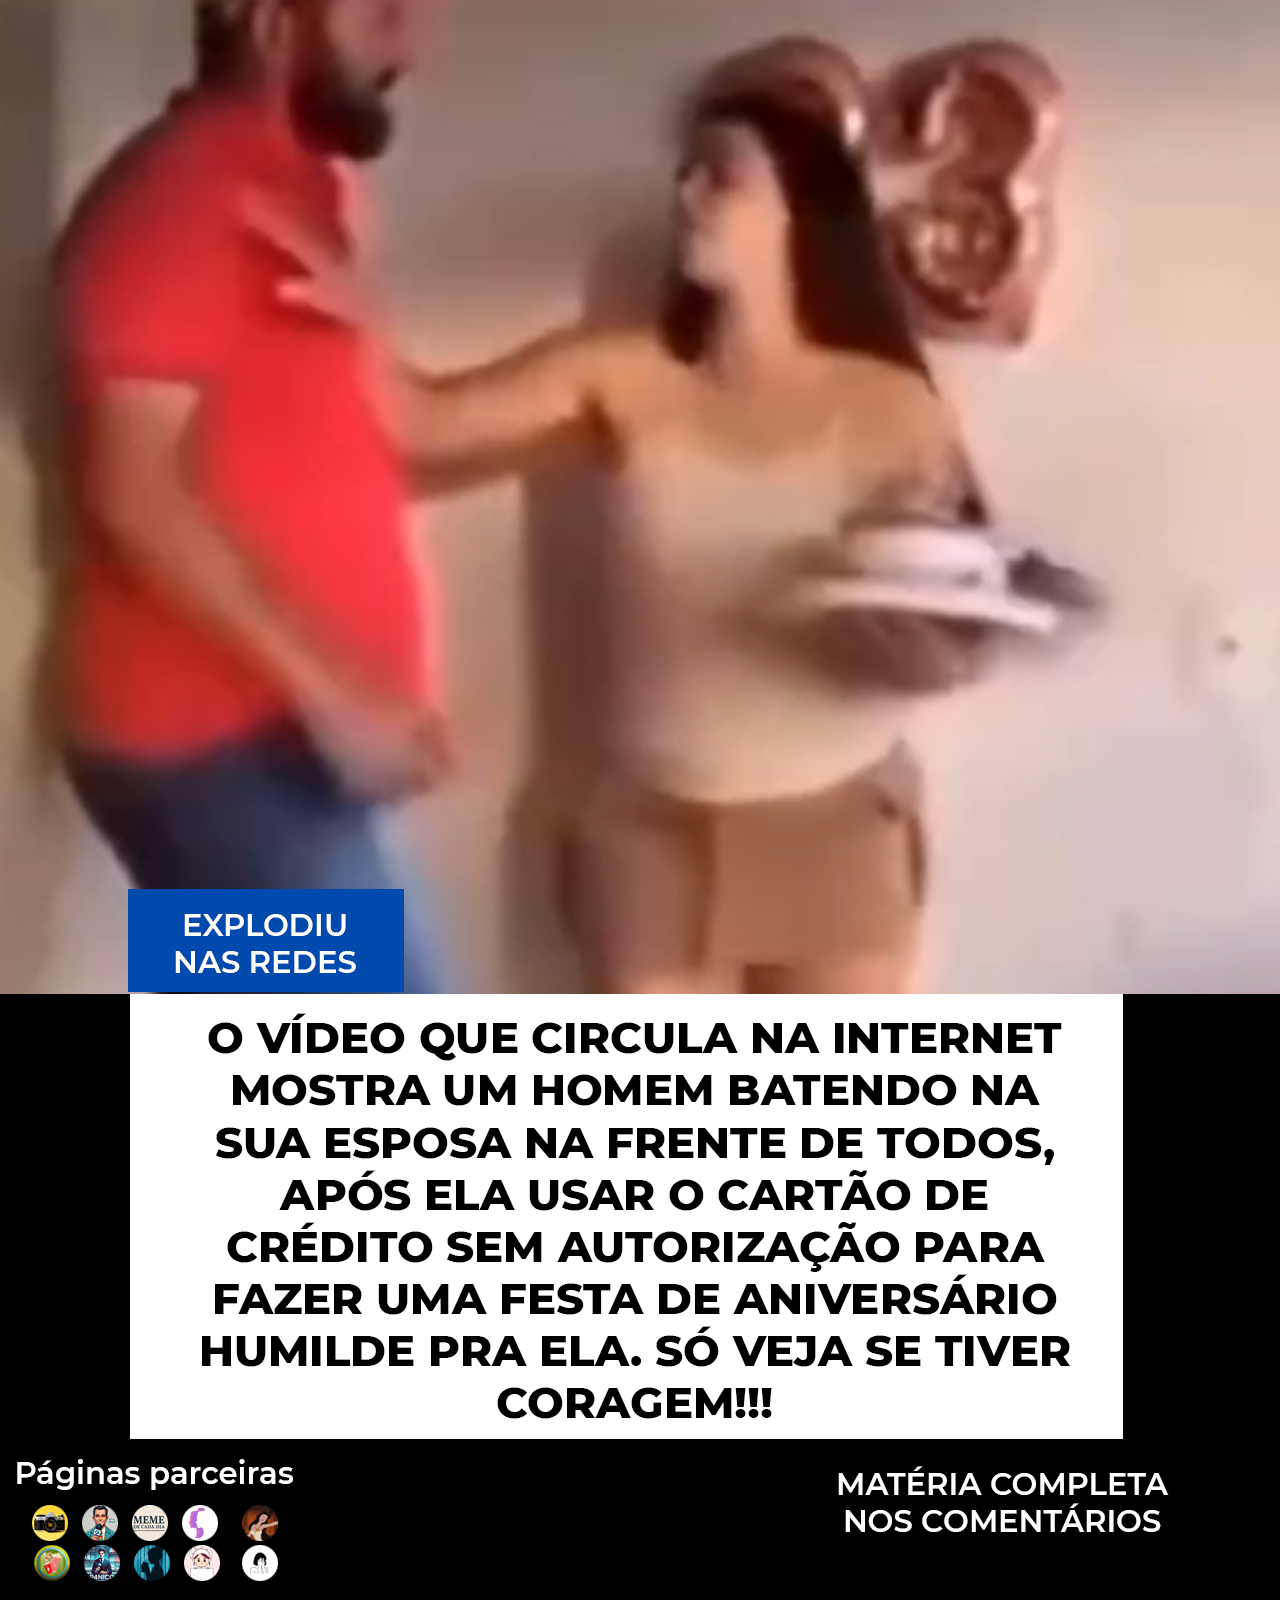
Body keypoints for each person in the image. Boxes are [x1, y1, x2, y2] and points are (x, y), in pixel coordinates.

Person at [248, 77, 1091, 994]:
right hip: (653, 835)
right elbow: (422, 423)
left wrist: (931, 641)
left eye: (721, 176)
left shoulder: (891, 402)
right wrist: (356, 320)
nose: (688, 194)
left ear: (799, 212)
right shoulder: (619, 374)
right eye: (684, 174)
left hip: (841, 828)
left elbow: (971, 591)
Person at [50, 0, 448, 991]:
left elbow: (394, 429)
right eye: (380, 8)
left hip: (275, 750)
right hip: (211, 758)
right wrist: (336, 697)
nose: (411, 43)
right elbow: (131, 489)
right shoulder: (179, 195)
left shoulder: (305, 186)